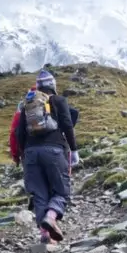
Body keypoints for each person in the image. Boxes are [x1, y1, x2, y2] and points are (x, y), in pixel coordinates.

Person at [16, 69, 78, 244]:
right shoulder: (58, 100)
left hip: (30, 153)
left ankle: (45, 236)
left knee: (39, 195)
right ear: (53, 86)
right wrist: (73, 150)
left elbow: (19, 132)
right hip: (54, 150)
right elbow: (67, 124)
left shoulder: (27, 104)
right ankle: (51, 217)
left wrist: (23, 155)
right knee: (61, 191)